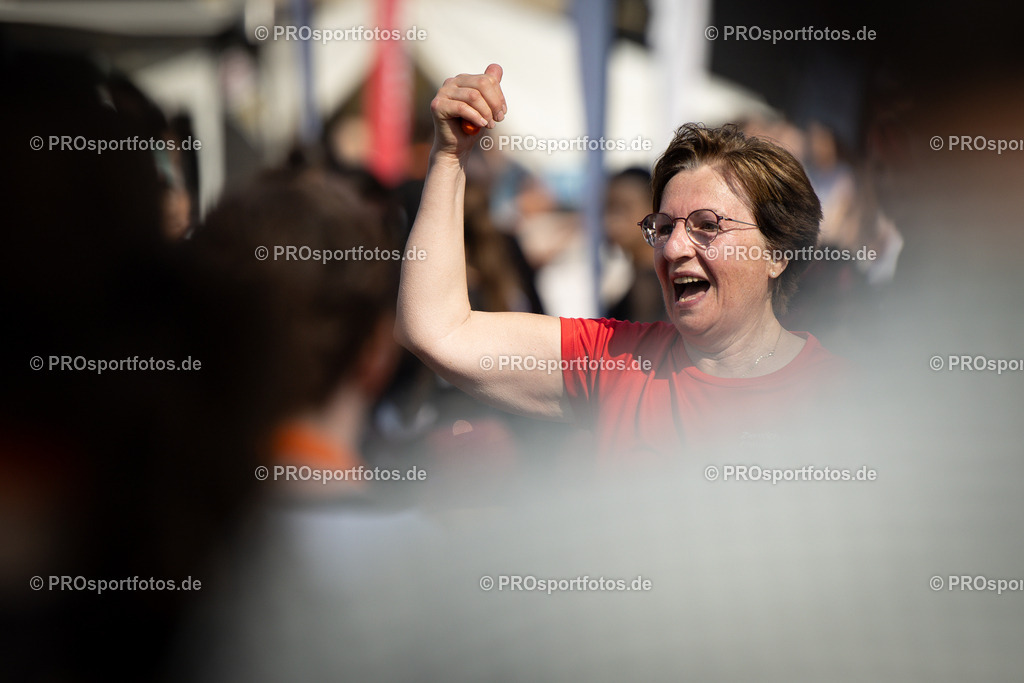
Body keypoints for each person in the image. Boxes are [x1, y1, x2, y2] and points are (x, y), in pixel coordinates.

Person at [395, 64, 846, 462]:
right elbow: (438, 331)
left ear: (778, 254)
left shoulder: (845, 398)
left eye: (708, 225)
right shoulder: (616, 361)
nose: (672, 249)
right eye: (664, 227)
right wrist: (449, 158)